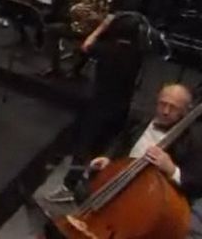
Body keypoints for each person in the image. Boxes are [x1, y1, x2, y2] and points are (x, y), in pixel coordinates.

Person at [45, 84, 202, 238]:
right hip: (118, 185)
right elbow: (120, 143)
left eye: (173, 107)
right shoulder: (140, 120)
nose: (165, 111)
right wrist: (109, 159)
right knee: (85, 192)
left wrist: (171, 169)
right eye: (163, 104)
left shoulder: (193, 144)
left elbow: (196, 186)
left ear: (185, 111)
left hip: (144, 206)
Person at [46, 11, 144, 202]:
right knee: (102, 149)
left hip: (100, 105)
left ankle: (69, 186)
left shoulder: (107, 49)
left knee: (83, 146)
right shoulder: (137, 53)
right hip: (121, 109)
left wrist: (101, 27)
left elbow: (86, 47)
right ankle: (93, 187)